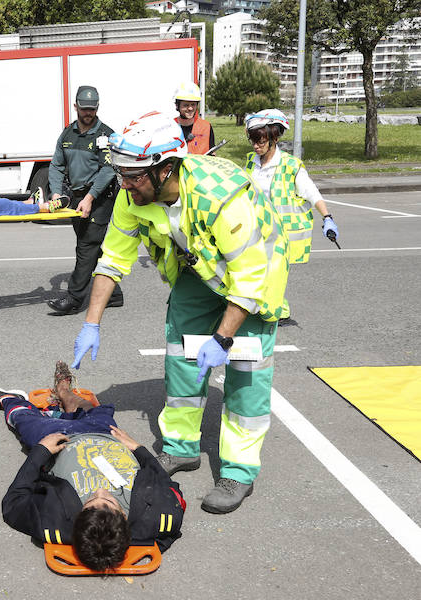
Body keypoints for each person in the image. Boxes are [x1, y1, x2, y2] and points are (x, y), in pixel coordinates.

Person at [72, 111, 290, 514]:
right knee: (182, 359)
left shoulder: (222, 197)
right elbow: (111, 260)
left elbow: (248, 279)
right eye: (121, 173)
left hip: (256, 275)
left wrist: (224, 339)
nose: (124, 184)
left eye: (133, 176)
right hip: (201, 268)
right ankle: (182, 448)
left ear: (165, 169)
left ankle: (239, 472)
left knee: (246, 374)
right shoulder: (132, 193)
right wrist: (91, 323)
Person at [0, 365, 185, 573]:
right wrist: (139, 449)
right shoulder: (159, 518)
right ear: (125, 522)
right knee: (89, 410)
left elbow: (12, 504)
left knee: (24, 421)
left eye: (91, 501)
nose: (102, 492)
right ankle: (64, 392)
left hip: (61, 438)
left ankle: (10, 399)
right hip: (106, 434)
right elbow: (168, 485)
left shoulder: (55, 523)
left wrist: (41, 451)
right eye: (110, 501)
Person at [244, 109, 339, 324]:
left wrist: (327, 218)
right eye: (253, 140)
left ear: (274, 137)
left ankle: (278, 312)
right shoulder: (251, 163)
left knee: (273, 273)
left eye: (260, 140)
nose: (256, 145)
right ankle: (270, 309)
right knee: (259, 270)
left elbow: (312, 193)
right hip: (255, 229)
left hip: (280, 233)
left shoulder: (291, 166)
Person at [46, 85, 124, 315]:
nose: (88, 113)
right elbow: (57, 165)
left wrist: (90, 197)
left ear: (97, 107)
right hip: (77, 197)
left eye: (92, 109)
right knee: (94, 247)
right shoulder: (68, 134)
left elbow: (108, 170)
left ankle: (74, 298)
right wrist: (56, 192)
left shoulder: (106, 135)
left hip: (100, 197)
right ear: (76, 107)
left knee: (86, 246)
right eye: (84, 109)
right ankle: (114, 294)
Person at [173, 81, 215, 155]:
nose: (190, 108)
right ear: (177, 105)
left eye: (193, 104)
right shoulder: (170, 127)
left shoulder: (206, 127)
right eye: (186, 105)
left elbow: (213, 153)